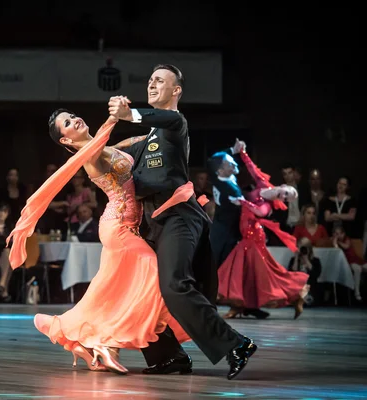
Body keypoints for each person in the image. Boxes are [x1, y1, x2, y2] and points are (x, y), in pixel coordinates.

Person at [7, 110, 198, 375]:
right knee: (156, 275)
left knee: (113, 293)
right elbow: (99, 146)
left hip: (133, 227)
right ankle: (107, 343)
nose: (75, 120)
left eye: (72, 116)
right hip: (118, 229)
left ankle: (100, 346)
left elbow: (143, 142)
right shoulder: (91, 157)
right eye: (67, 123)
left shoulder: (108, 147)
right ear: (65, 141)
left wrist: (168, 129)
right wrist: (113, 119)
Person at [107, 63, 255, 380]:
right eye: (149, 79)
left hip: (179, 217)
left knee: (174, 286)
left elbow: (158, 117)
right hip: (155, 225)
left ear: (176, 91)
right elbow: (107, 153)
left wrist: (129, 114)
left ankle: (237, 344)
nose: (151, 83)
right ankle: (169, 356)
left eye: (159, 80)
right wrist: (81, 143)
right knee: (141, 288)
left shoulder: (175, 123)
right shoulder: (145, 140)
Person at [216, 148, 310, 319]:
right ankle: (244, 305)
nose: (284, 196)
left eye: (286, 198)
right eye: (287, 192)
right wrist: (242, 152)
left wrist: (243, 201)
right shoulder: (263, 185)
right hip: (246, 235)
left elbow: (259, 211)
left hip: (252, 238)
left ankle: (239, 306)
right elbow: (252, 168)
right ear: (283, 186)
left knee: (245, 271)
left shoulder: (267, 205)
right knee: (254, 273)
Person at [208, 140, 270, 320]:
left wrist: (232, 150)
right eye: (229, 163)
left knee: (241, 271)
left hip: (232, 233)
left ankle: (247, 306)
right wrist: (265, 198)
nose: (234, 163)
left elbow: (214, 159)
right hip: (225, 235)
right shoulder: (225, 186)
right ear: (220, 170)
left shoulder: (224, 178)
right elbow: (248, 206)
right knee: (226, 271)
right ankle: (231, 306)